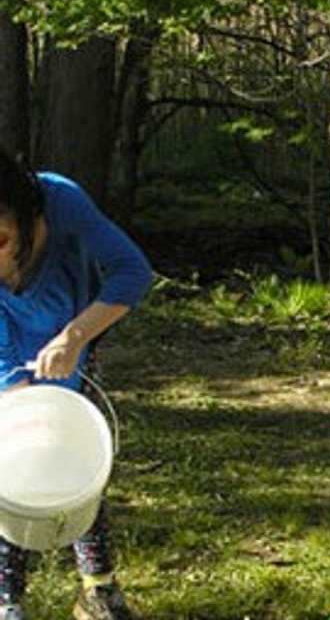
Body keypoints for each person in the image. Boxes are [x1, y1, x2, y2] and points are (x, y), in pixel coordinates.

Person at [0, 148, 153, 620]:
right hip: (8, 357)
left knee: (81, 470)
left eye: (1, 240)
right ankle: (7, 598)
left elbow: (132, 272)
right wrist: (18, 397)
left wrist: (75, 336)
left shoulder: (60, 199)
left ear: (31, 217)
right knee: (12, 469)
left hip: (77, 341)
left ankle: (99, 591)